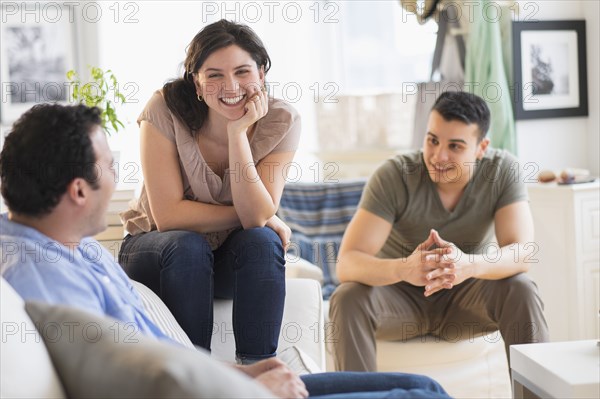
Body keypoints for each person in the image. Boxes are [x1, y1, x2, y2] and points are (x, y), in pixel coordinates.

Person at [0, 103, 452, 399]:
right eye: (112, 168)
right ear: (79, 190)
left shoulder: (79, 251)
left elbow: (155, 358)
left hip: (221, 386)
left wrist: (240, 374)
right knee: (421, 397)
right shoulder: (41, 278)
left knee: (424, 385)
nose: (119, 180)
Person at [118, 20, 298, 364]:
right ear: (196, 83)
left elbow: (256, 221)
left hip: (224, 259)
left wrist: (237, 133)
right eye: (213, 75)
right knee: (188, 243)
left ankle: (260, 371)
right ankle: (195, 373)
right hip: (156, 249)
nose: (230, 86)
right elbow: (170, 216)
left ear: (262, 74)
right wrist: (259, 215)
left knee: (263, 241)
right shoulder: (163, 108)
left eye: (243, 71)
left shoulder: (282, 120)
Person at [329, 91, 549, 371]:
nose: (438, 156)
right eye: (432, 140)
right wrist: (404, 269)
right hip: (399, 299)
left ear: (481, 147)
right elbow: (347, 263)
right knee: (347, 297)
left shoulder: (503, 170)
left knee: (522, 289)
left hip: (466, 298)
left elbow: (523, 253)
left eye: (455, 146)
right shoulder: (394, 175)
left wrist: (468, 265)